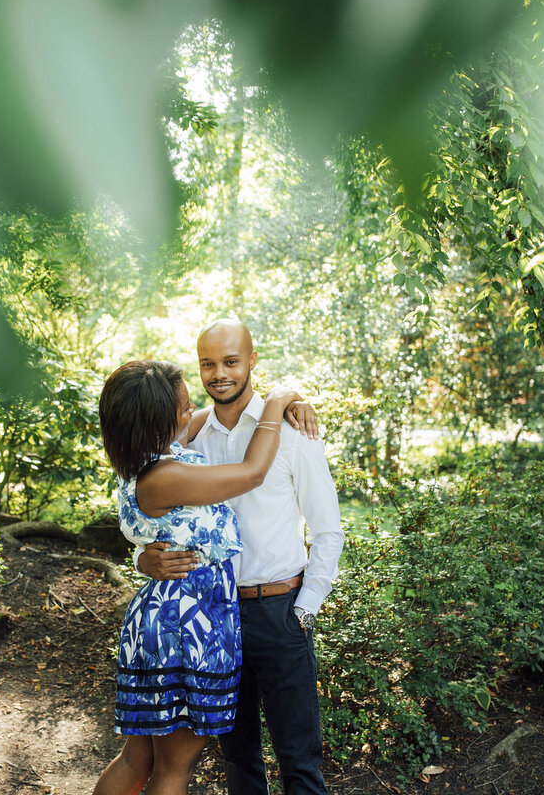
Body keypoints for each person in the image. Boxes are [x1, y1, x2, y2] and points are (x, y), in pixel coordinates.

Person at [138, 319, 344, 795]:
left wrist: (306, 608)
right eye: (208, 364)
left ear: (252, 361)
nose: (220, 374)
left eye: (231, 361)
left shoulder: (293, 432)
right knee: (237, 757)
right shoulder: (186, 441)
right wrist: (143, 560)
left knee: (300, 761)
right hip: (212, 615)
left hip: (280, 611)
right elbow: (149, 509)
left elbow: (328, 529)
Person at [92, 358, 305, 795]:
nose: (193, 413)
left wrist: (260, 400)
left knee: (137, 760)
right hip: (188, 628)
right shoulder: (165, 475)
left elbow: (221, 411)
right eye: (185, 408)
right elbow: (252, 472)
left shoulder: (154, 454)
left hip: (166, 617)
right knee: (172, 768)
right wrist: (280, 399)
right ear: (157, 421)